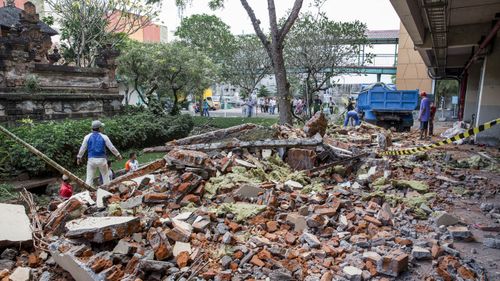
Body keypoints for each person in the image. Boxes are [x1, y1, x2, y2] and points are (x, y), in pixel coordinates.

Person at [77, 120, 122, 186]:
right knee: (105, 178)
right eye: (101, 127)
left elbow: (82, 148)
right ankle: (107, 192)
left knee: (89, 178)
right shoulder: (104, 137)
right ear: (99, 128)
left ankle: (87, 193)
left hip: (91, 160)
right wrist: (118, 155)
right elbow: (111, 147)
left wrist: (79, 157)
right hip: (102, 160)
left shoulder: (87, 137)